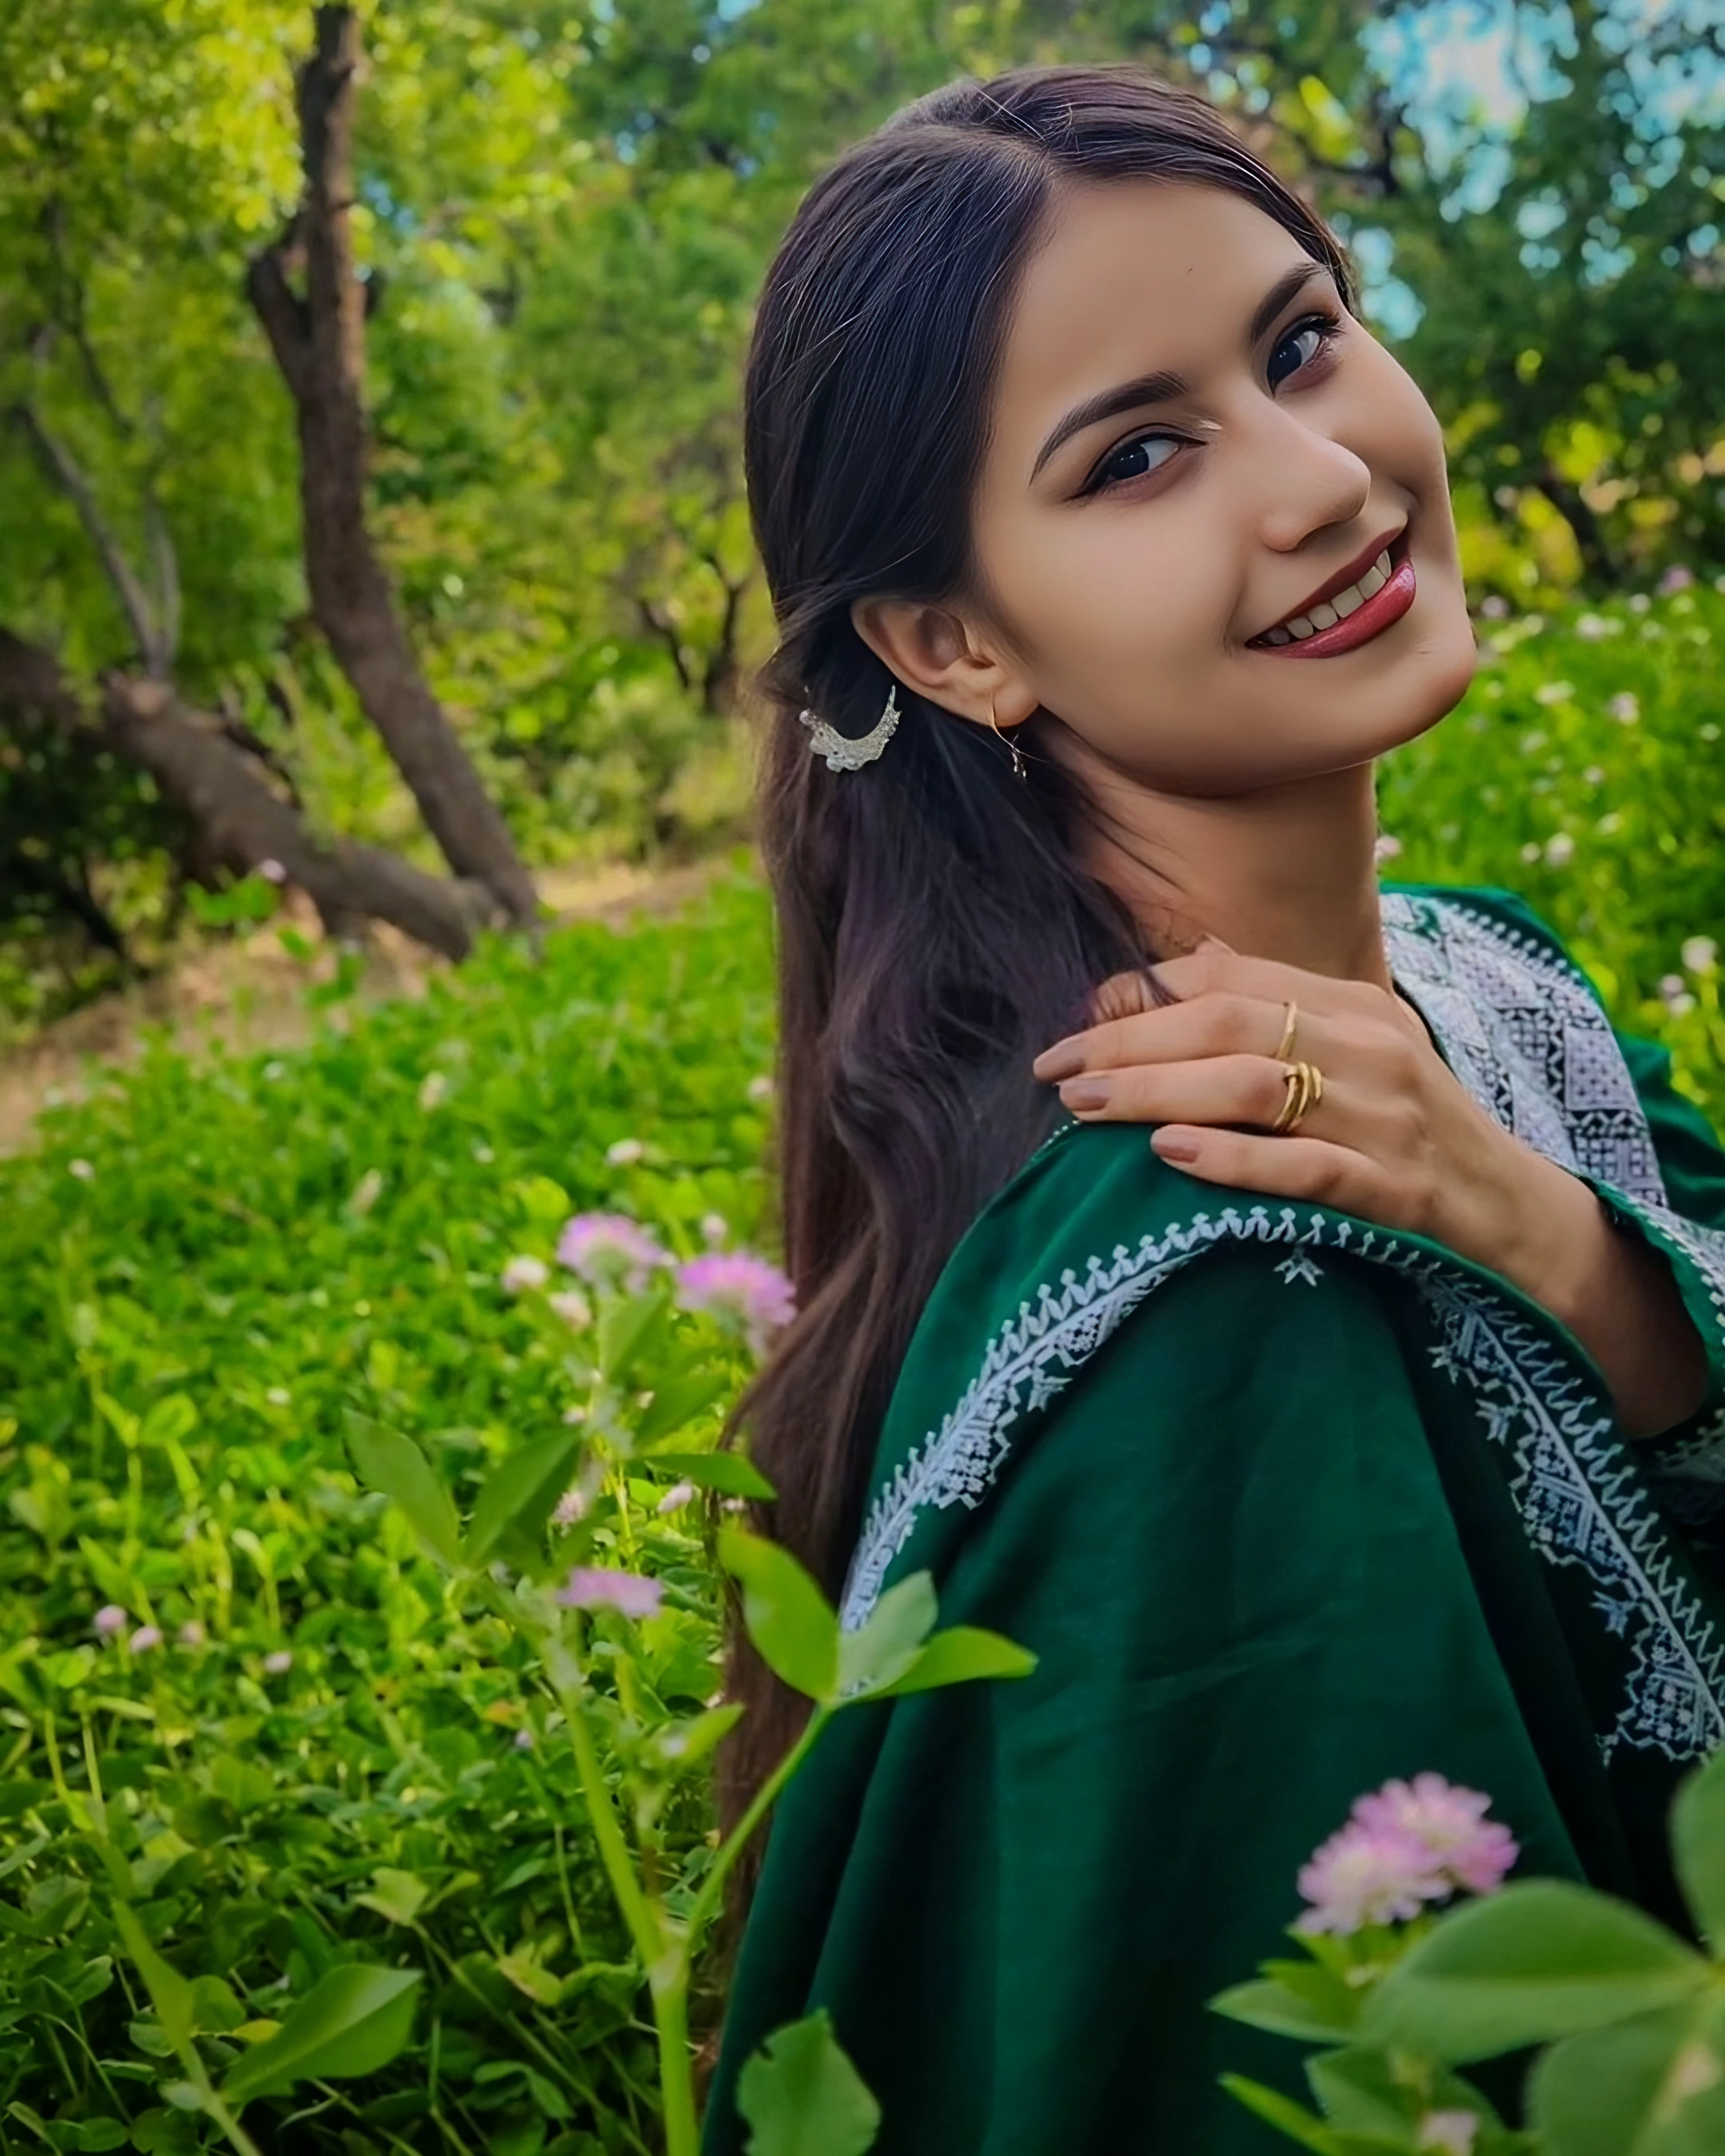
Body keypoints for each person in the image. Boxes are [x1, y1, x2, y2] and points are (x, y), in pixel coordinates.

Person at [702, 64, 1725, 2155]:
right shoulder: (1203, 1267)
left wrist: (1553, 1247)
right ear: (952, 640)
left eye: (1298, 343)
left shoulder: (1478, 986)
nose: (1316, 479)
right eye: (1141, 454)